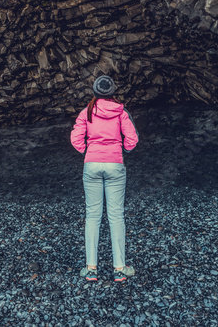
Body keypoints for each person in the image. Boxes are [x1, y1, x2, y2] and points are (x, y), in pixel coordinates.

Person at [70, 75, 139, 282]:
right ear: (112, 92)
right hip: (115, 164)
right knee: (116, 216)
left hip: (92, 164)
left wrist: (87, 152)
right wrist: (121, 151)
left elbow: (75, 138)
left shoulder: (87, 112)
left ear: (95, 91)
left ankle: (91, 269)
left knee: (93, 215)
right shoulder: (121, 112)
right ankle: (119, 269)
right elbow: (132, 139)